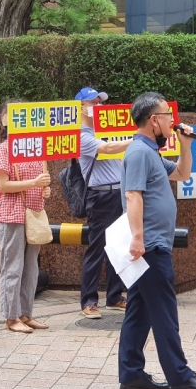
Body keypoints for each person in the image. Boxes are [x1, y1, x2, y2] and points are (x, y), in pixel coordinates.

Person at [119, 91, 196, 389]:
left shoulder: (151, 152)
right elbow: (132, 195)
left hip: (152, 244)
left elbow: (180, 173)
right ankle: (180, 376)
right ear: (154, 121)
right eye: (167, 116)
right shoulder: (139, 152)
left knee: (140, 310)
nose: (172, 121)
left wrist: (186, 146)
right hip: (150, 246)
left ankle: (131, 374)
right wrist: (138, 239)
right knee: (164, 312)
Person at [0, 99, 51, 334]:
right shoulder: (3, 149)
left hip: (33, 212)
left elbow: (42, 183)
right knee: (12, 267)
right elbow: (3, 185)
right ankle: (11, 316)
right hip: (11, 214)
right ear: (5, 120)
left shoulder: (36, 149)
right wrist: (34, 183)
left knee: (30, 268)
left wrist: (44, 188)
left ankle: (26, 313)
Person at [75, 87, 131, 319]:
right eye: (93, 102)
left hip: (119, 193)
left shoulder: (110, 130)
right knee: (96, 249)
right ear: (81, 107)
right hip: (100, 196)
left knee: (118, 247)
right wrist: (136, 138)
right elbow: (106, 148)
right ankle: (88, 301)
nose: (98, 106)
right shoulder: (82, 135)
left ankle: (115, 296)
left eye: (100, 102)